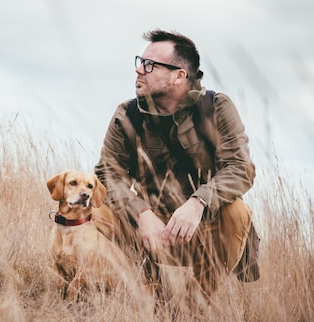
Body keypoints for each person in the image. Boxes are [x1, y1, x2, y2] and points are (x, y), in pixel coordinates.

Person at [94, 29, 258, 307]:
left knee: (237, 211)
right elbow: (107, 175)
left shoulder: (216, 108)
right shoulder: (126, 115)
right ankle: (153, 301)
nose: (138, 70)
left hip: (200, 232)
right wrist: (141, 212)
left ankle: (191, 309)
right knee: (97, 212)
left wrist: (198, 203)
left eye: (149, 65)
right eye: (139, 61)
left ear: (179, 75)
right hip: (149, 232)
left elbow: (241, 168)